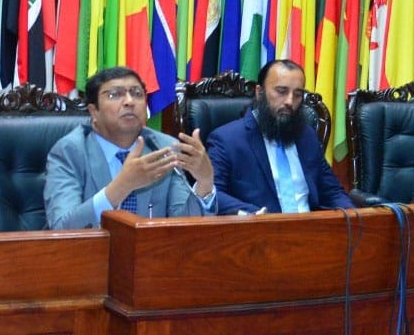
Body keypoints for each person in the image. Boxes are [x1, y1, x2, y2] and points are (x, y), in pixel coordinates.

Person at [43, 65, 216, 228]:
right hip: (90, 250)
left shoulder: (164, 148)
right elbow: (62, 228)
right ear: (93, 111)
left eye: (137, 94)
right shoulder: (70, 151)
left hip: (151, 249)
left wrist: (205, 182)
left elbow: (184, 225)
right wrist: (123, 186)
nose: (129, 101)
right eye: (114, 95)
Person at [206, 58, 354, 213]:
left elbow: (332, 191)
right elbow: (212, 194)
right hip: (259, 225)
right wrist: (255, 216)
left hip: (310, 226)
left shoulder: (306, 135)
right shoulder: (226, 139)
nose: (290, 101)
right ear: (259, 92)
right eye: (281, 92)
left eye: (297, 94)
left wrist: (353, 216)